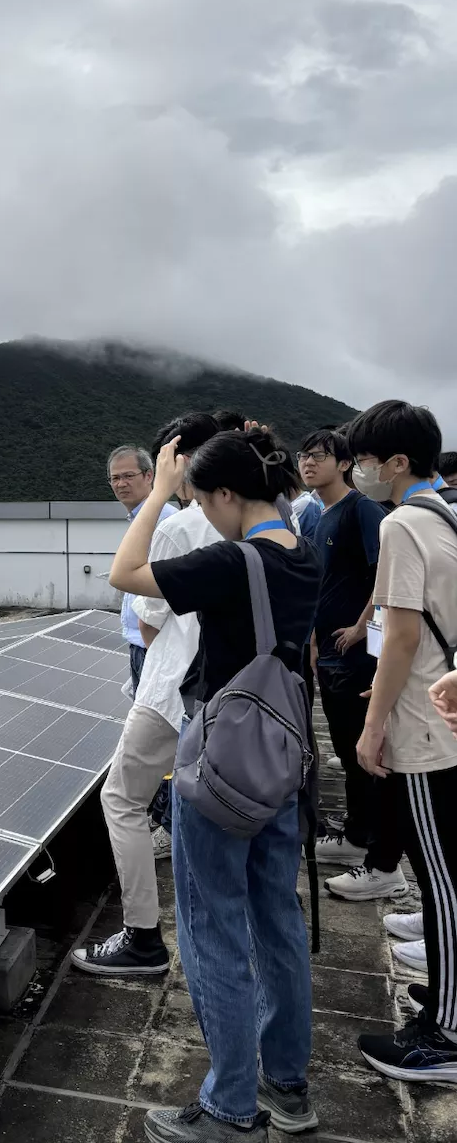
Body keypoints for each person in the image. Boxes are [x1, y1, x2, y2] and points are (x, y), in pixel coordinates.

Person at [111, 428, 322, 1141]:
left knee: (214, 929)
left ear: (228, 494)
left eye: (206, 498)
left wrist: (163, 491)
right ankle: (287, 1085)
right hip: (281, 762)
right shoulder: (302, 551)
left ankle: (231, 1107)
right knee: (278, 921)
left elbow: (125, 571)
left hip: (222, 766)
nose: (201, 509)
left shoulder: (232, 561)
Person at [75, 413, 221, 978]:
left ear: (176, 461)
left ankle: (143, 936)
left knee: (122, 799)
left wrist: (162, 494)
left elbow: (147, 611)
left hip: (171, 690)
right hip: (227, 693)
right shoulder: (268, 521)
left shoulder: (178, 525)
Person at [343, 401, 457, 1083]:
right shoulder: (449, 514)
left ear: (397, 463)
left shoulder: (404, 525)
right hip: (447, 711)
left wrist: (373, 724)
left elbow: (403, 633)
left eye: (365, 459)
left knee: (441, 880)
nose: (362, 470)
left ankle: (444, 1033)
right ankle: (446, 995)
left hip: (423, 722)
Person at [293, 430, 408, 900]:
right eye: (303, 456)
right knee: (345, 747)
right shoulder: (320, 515)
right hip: (332, 653)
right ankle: (357, 837)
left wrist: (362, 625)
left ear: (343, 464)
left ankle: (384, 862)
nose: (307, 464)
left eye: (318, 456)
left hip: (358, 655)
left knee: (368, 756)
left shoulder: (362, 509)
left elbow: (389, 573)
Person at [107, 444, 174, 691]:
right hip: (141, 642)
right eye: (115, 478)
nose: (121, 483)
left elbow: (164, 587)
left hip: (154, 644)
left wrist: (153, 646)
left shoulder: (165, 520)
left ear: (149, 476)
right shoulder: (142, 518)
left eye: (128, 476)